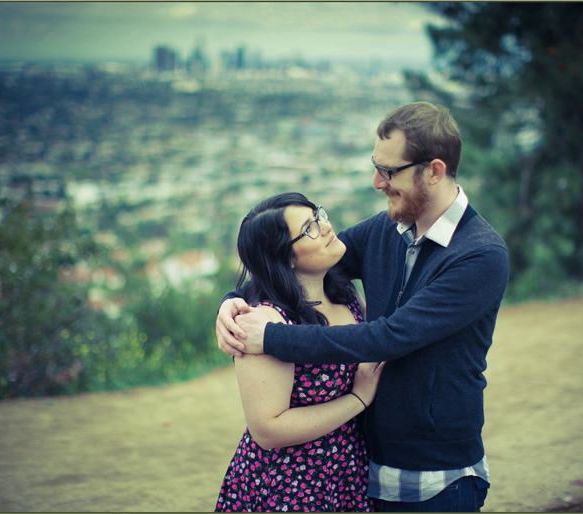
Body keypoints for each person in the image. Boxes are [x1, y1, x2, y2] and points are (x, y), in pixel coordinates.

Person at [216, 102, 510, 512]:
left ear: (434, 171)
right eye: (376, 167)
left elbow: (389, 337)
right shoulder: (385, 229)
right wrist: (232, 303)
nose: (376, 182)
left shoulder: (480, 256)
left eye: (388, 171)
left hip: (437, 478)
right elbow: (289, 265)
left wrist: (271, 338)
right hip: (364, 472)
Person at [214, 192, 384, 512]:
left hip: (346, 472)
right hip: (289, 483)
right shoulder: (262, 322)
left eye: (318, 215)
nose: (327, 226)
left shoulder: (345, 292)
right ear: (286, 257)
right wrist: (357, 399)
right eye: (309, 228)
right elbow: (267, 429)